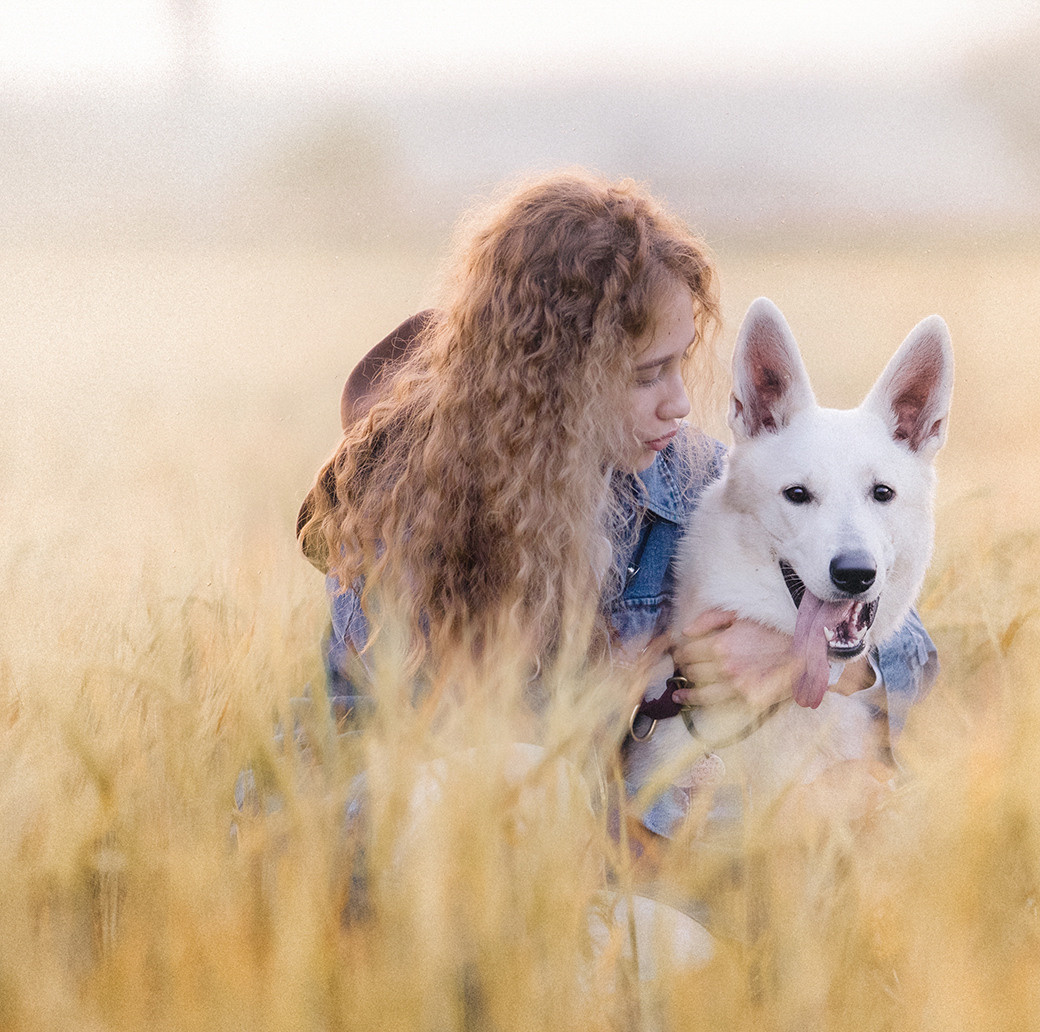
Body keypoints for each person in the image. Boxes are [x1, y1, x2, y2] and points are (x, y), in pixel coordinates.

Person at [294, 172, 938, 945]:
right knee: (522, 783)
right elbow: (462, 756)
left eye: (680, 363)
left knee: (710, 919)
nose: (679, 401)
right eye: (645, 375)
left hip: (600, 853)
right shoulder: (407, 514)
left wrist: (816, 656)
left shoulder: (689, 478)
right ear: (551, 384)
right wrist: (668, 667)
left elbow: (911, 651)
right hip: (407, 841)